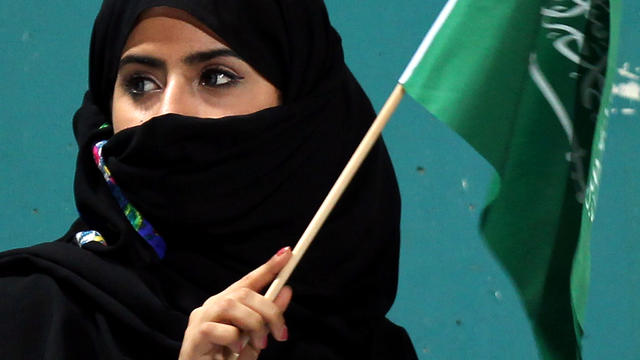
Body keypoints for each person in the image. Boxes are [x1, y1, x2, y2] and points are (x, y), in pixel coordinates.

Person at [0, 1, 417, 359]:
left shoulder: (372, 349)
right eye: (140, 84)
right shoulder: (26, 317)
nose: (168, 112)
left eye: (216, 77)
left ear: (304, 111)